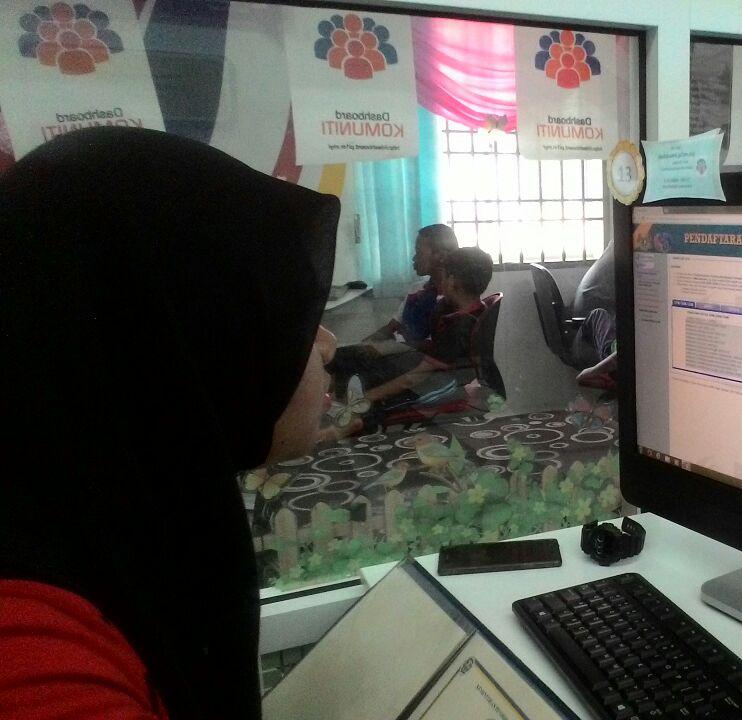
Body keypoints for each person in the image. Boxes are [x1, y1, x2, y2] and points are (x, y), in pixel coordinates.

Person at [0, 127, 339, 720]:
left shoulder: (101, 531)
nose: (328, 343)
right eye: (295, 313)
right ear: (199, 335)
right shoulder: (40, 669)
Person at [327, 224, 458, 399]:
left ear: (440, 256)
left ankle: (347, 405)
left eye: (418, 252)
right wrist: (366, 344)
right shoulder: (417, 290)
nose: (414, 258)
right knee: (337, 357)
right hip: (398, 352)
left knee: (356, 374)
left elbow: (432, 347)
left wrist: (385, 348)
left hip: (418, 361)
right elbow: (390, 328)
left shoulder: (450, 301)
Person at [362, 246, 495, 408]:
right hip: (447, 375)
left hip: (445, 386)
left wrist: (369, 396)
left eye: (443, 276)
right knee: (381, 364)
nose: (440, 282)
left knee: (379, 401)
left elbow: (413, 378)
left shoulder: (457, 325)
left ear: (452, 281)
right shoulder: (479, 309)